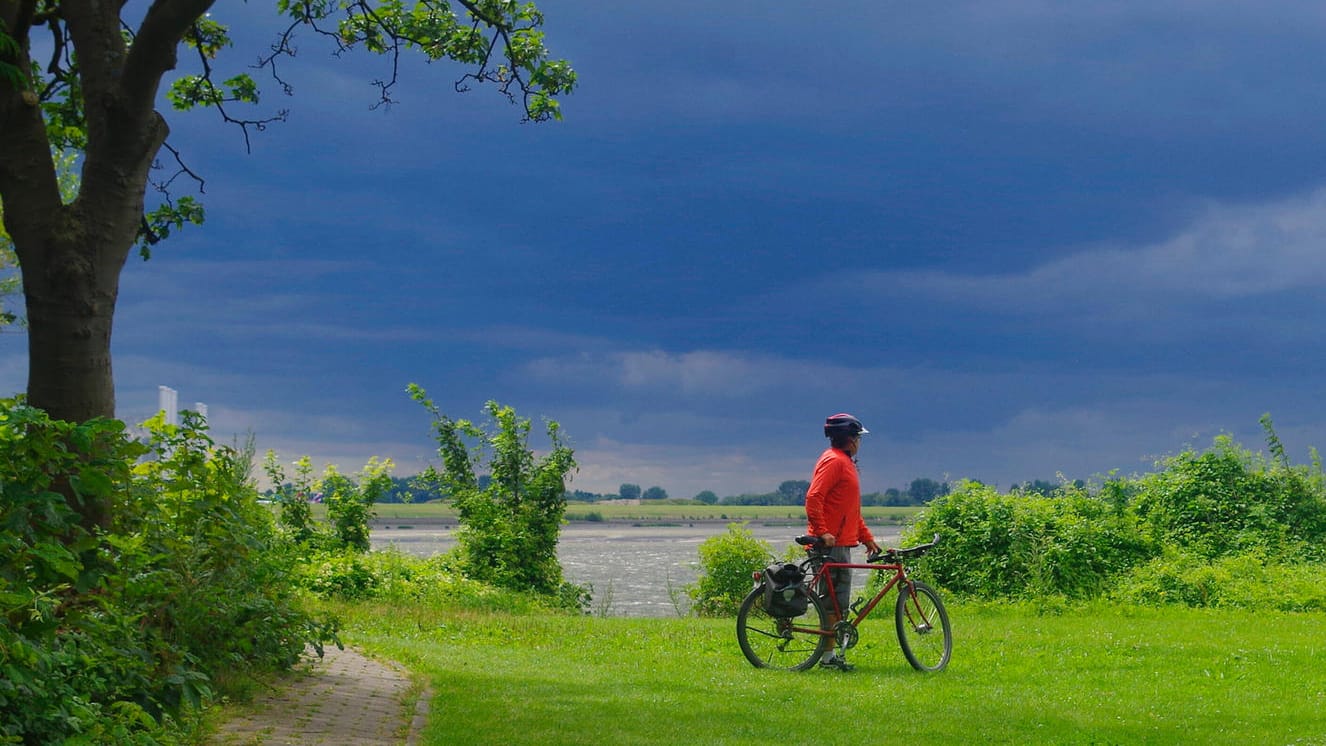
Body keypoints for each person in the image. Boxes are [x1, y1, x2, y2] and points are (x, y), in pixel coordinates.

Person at [804, 412, 881, 671]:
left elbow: (850, 512)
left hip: (842, 543)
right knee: (831, 603)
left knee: (839, 602)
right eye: (858, 437)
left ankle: (832, 655)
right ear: (850, 439)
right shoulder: (834, 462)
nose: (859, 442)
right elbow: (814, 498)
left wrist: (867, 538)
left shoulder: (845, 463)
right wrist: (823, 531)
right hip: (830, 545)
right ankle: (827, 659)